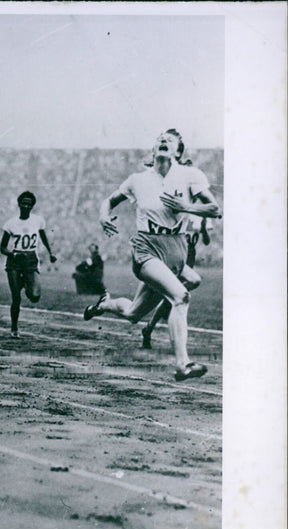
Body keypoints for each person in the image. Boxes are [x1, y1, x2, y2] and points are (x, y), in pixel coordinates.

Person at [83, 129, 221, 381]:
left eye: (170, 140)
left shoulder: (190, 175)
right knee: (180, 296)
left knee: (134, 314)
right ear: (154, 149)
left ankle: (104, 304)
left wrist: (186, 207)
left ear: (178, 150)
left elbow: (214, 208)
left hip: (177, 249)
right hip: (147, 248)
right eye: (160, 139)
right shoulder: (138, 179)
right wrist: (104, 216)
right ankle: (182, 364)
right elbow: (109, 201)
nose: (163, 141)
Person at [141, 212, 213, 349]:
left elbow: (207, 241)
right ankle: (151, 329)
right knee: (171, 297)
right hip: (171, 254)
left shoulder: (201, 212)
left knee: (173, 298)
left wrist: (203, 229)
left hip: (188, 258)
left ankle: (149, 329)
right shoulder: (178, 206)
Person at [0, 191, 57, 337]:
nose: (26, 206)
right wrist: (13, 254)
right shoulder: (11, 223)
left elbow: (44, 238)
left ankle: (26, 283)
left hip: (31, 259)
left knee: (35, 296)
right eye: (23, 203)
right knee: (16, 297)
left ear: (32, 206)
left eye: (29, 204)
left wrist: (51, 253)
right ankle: (14, 329)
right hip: (15, 260)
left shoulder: (38, 220)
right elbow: (2, 247)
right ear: (19, 204)